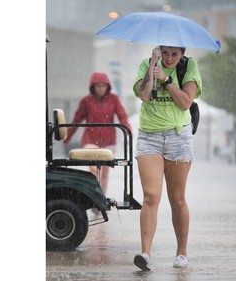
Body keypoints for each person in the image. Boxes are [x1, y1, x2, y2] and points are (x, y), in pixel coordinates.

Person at [132, 46, 202, 270]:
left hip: (178, 137)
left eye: (174, 54)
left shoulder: (188, 67)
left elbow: (185, 103)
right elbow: (143, 95)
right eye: (165, 53)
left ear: (181, 53)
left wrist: (167, 79)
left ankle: (181, 252)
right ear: (159, 51)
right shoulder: (147, 64)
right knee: (151, 196)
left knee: (177, 198)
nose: (169, 58)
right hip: (149, 137)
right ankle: (145, 253)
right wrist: (153, 65)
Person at [63, 72, 131, 195]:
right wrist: (67, 136)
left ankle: (101, 200)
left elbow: (123, 117)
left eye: (103, 86)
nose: (101, 89)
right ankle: (94, 195)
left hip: (109, 140)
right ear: (93, 86)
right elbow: (77, 120)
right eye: (98, 86)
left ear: (108, 86)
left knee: (105, 172)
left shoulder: (114, 99)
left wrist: (128, 132)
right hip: (90, 139)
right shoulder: (86, 100)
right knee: (94, 169)